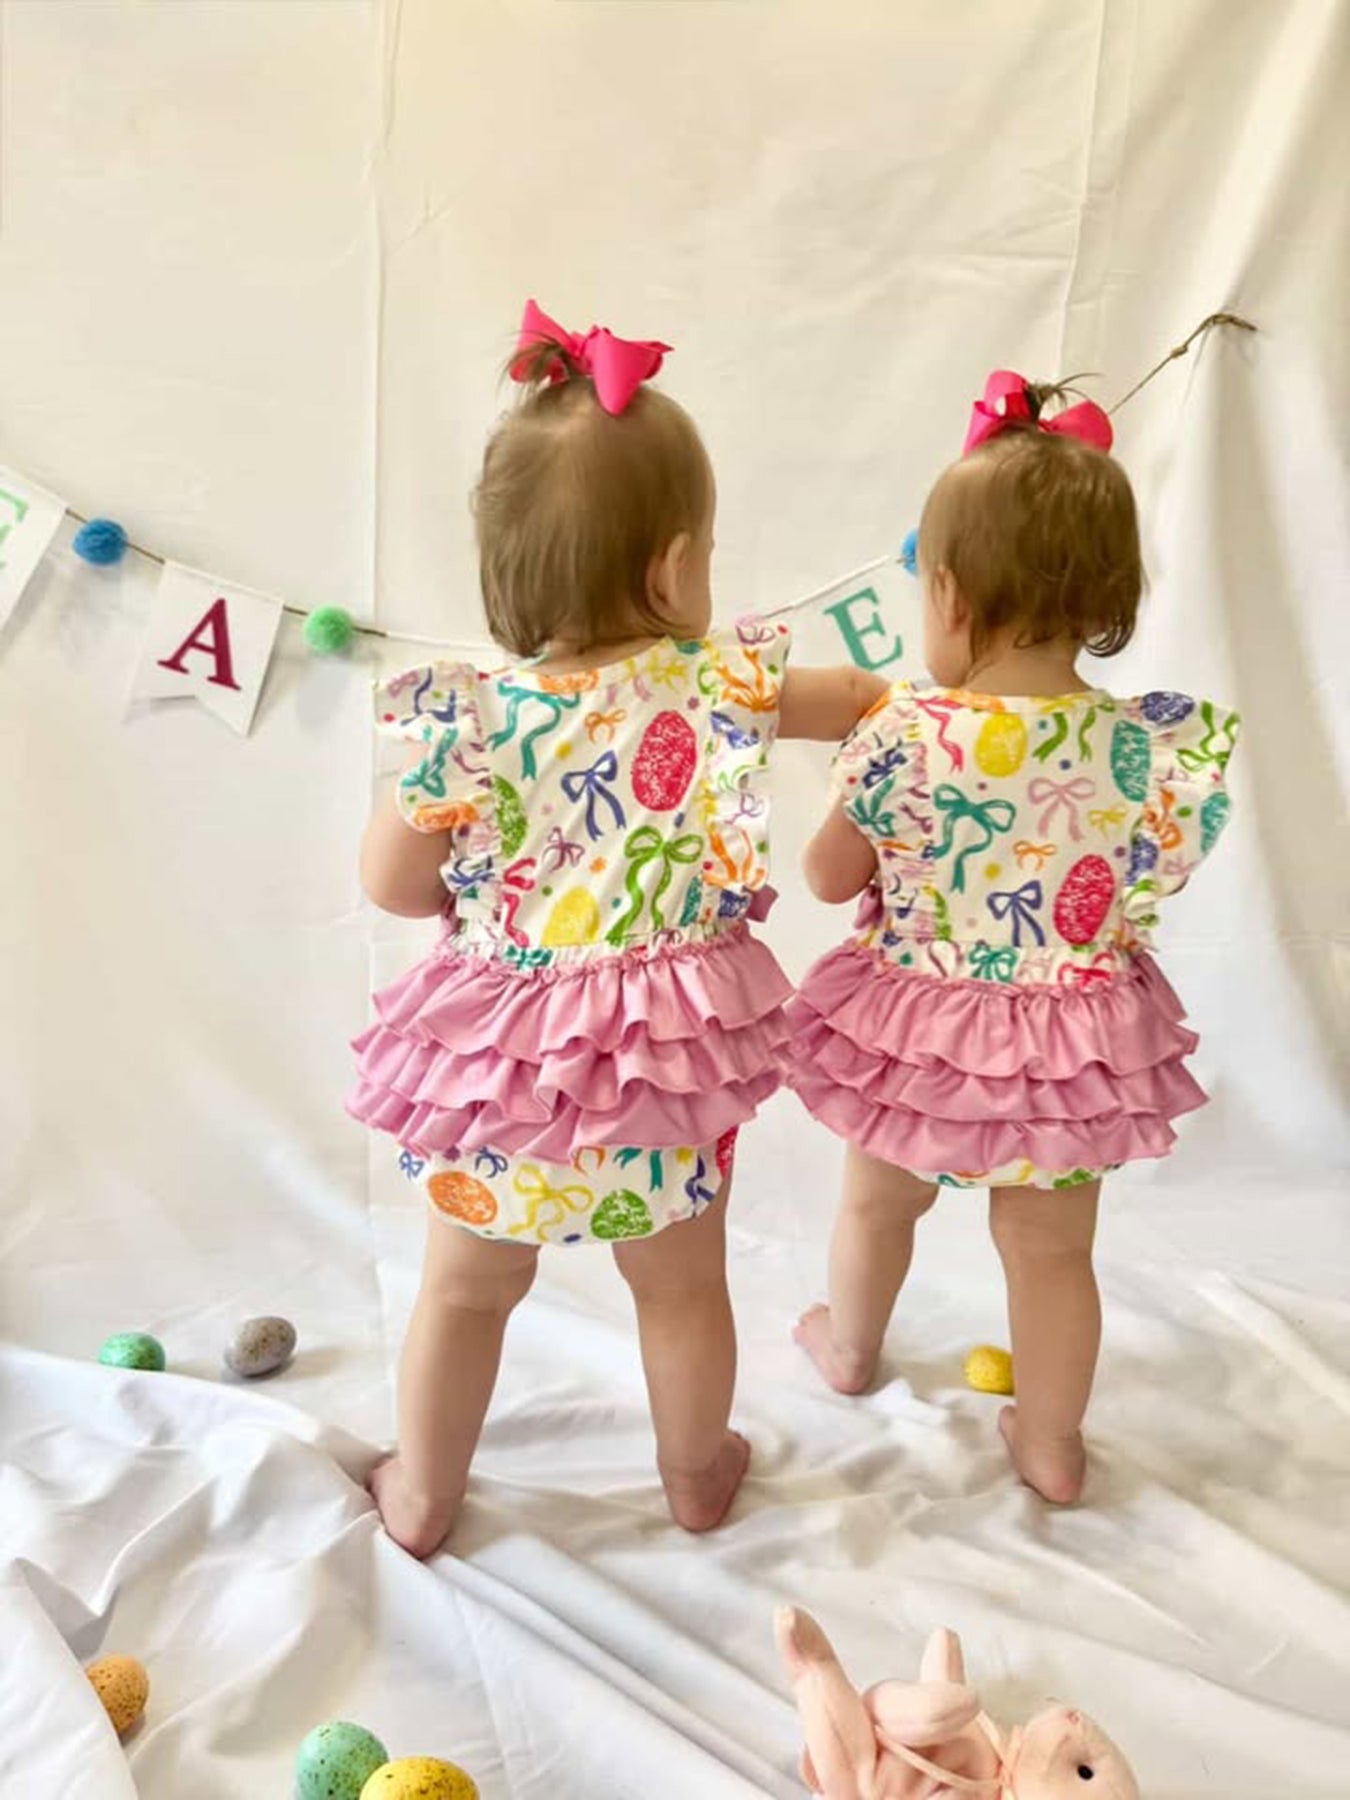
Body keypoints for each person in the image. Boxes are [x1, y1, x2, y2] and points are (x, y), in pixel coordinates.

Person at [350, 300, 885, 1554]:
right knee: (681, 1287)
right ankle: (695, 1475)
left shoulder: (468, 720)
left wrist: (471, 897)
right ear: (675, 565)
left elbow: (390, 882)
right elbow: (869, 697)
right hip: (660, 1069)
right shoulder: (723, 686)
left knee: (464, 1290)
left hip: (505, 1073)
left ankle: (423, 1494)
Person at [789, 372, 1240, 1504]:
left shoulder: (905, 732)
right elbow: (1151, 872)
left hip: (919, 1034)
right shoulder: (1141, 748)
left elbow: (828, 876)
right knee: (1051, 1253)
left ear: (947, 593)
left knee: (875, 1203)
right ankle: (1050, 1439)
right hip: (1069, 1045)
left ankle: (849, 1347)